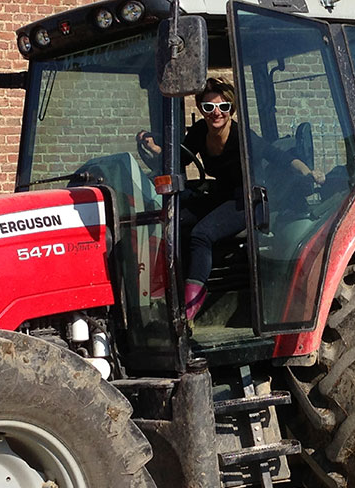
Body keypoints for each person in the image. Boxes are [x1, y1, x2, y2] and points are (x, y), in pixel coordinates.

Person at [137, 77, 324, 323]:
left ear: (231, 109)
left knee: (201, 234)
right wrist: (155, 148)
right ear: (201, 109)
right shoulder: (199, 132)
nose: (217, 113)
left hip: (249, 201)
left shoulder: (241, 136)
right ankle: (167, 293)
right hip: (222, 195)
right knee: (174, 219)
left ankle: (188, 312)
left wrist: (309, 172)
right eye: (209, 107)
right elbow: (179, 159)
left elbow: (276, 156)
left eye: (223, 107)